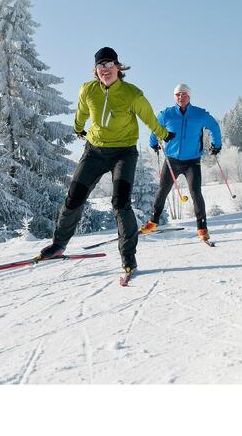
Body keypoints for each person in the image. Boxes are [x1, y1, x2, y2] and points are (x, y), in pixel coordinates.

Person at [37, 46, 174, 282]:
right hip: (95, 151)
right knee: (74, 197)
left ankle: (128, 258)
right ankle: (58, 244)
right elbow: (81, 112)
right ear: (96, 70)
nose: (106, 69)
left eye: (110, 64)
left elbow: (148, 117)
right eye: (101, 65)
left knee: (121, 203)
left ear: (118, 68)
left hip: (124, 153)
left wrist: (163, 133)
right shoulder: (88, 90)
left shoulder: (132, 94)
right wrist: (78, 127)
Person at [140, 83, 222, 241]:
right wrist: (153, 143)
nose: (181, 97)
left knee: (195, 192)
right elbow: (155, 127)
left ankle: (202, 227)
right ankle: (153, 222)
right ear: (174, 96)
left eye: (184, 94)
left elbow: (214, 126)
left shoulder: (199, 114)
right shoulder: (167, 114)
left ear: (189, 96)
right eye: (178, 94)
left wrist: (216, 144)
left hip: (192, 161)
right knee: (162, 190)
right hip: (172, 161)